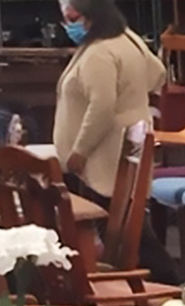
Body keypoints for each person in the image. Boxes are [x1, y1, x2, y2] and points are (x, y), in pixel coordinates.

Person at [53, 0, 174, 281]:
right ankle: (164, 281)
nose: (68, 25)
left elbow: (102, 107)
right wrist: (131, 96)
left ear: (93, 16)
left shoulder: (99, 53)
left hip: (102, 153)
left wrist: (79, 152)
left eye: (72, 17)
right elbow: (157, 73)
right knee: (127, 226)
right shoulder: (127, 38)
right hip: (123, 145)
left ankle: (167, 281)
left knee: (123, 230)